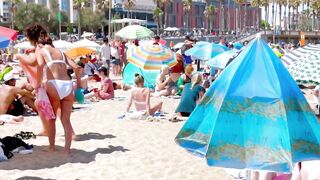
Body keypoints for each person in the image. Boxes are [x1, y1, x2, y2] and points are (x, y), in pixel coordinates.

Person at [24, 24, 81, 154]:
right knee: (66, 120)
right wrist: (79, 84)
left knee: (51, 118)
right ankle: (67, 151)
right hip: (68, 85)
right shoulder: (61, 52)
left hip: (54, 84)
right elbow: (77, 67)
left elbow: (39, 66)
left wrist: (37, 84)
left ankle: (52, 147)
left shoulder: (42, 51)